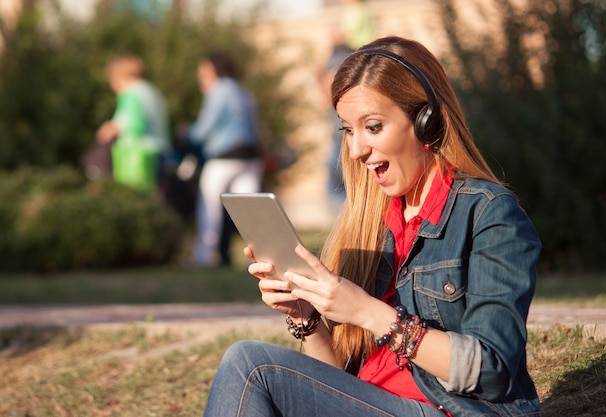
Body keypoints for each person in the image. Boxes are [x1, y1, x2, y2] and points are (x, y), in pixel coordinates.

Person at [202, 36, 542, 417]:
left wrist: (368, 312)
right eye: (347, 130)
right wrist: (307, 316)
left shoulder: (489, 214)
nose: (355, 149)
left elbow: (491, 370)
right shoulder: (370, 224)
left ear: (425, 123)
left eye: (373, 127)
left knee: (251, 366)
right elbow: (333, 387)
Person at [181, 51, 264, 267]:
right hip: (250, 157)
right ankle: (260, 259)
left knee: (209, 207)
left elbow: (204, 129)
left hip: (224, 157)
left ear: (212, 68)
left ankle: (204, 255)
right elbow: (258, 127)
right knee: (250, 212)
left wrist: (186, 133)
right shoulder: (243, 91)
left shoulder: (219, 90)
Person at [318, 0, 375, 210]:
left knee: (335, 179)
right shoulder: (360, 12)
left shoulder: (355, 14)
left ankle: (348, 217)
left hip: (352, 58)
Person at [93, 53, 172, 193]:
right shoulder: (152, 91)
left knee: (137, 198)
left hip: (139, 159)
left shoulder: (130, 93)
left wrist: (112, 128)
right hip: (160, 153)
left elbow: (135, 126)